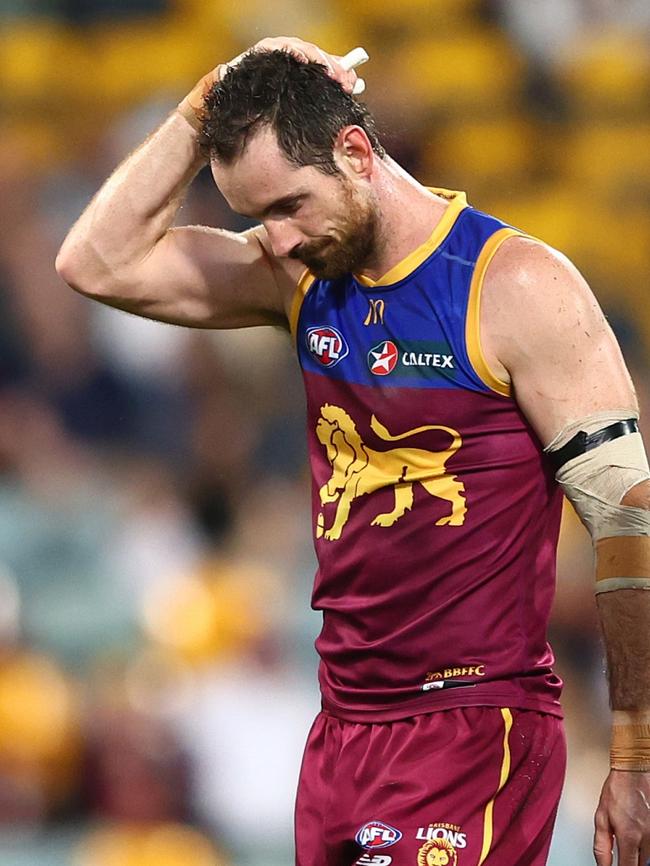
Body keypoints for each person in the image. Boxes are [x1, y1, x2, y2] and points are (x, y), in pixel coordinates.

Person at [56, 36, 650, 866]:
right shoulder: (300, 279)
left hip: (472, 729)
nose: (281, 238)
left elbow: (629, 528)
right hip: (340, 736)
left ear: (357, 151)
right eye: (257, 217)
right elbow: (95, 261)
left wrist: (635, 755)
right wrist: (205, 104)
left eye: (290, 205)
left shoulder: (512, 285)